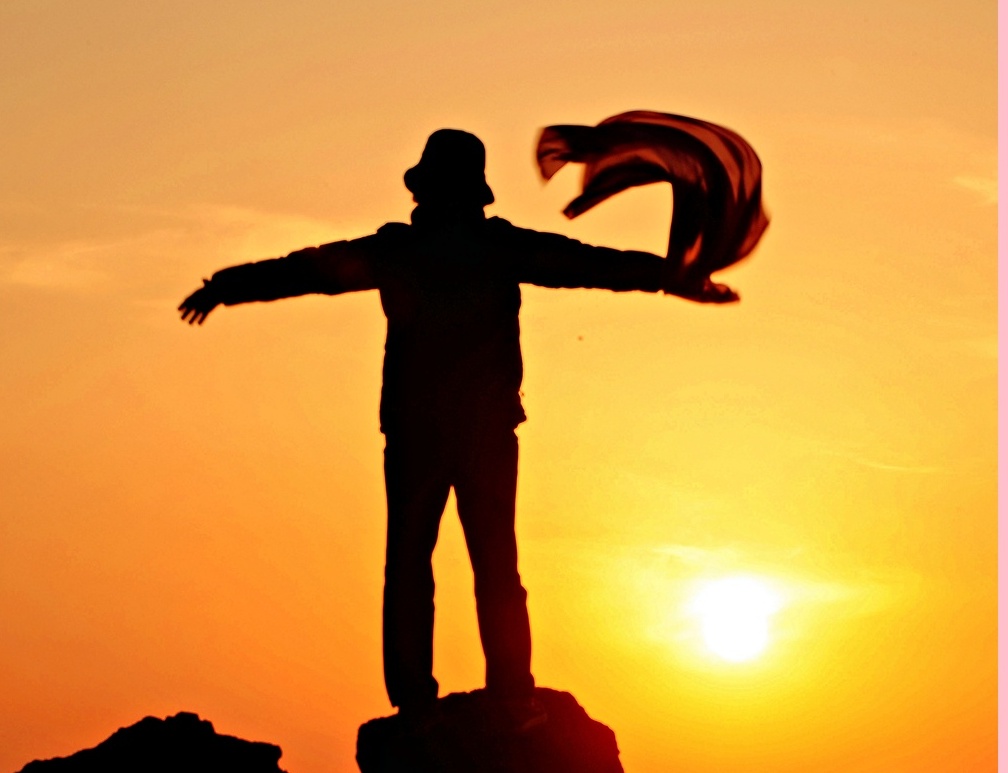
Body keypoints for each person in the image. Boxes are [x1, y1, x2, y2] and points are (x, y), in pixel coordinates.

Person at [178, 129, 736, 728]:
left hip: (428, 430)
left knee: (415, 563)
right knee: (488, 564)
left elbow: (308, 270)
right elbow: (589, 264)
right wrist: (674, 277)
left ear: (426, 190)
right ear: (474, 193)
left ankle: (424, 698)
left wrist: (226, 285)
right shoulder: (491, 247)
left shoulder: (403, 251)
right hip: (473, 431)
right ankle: (507, 694)